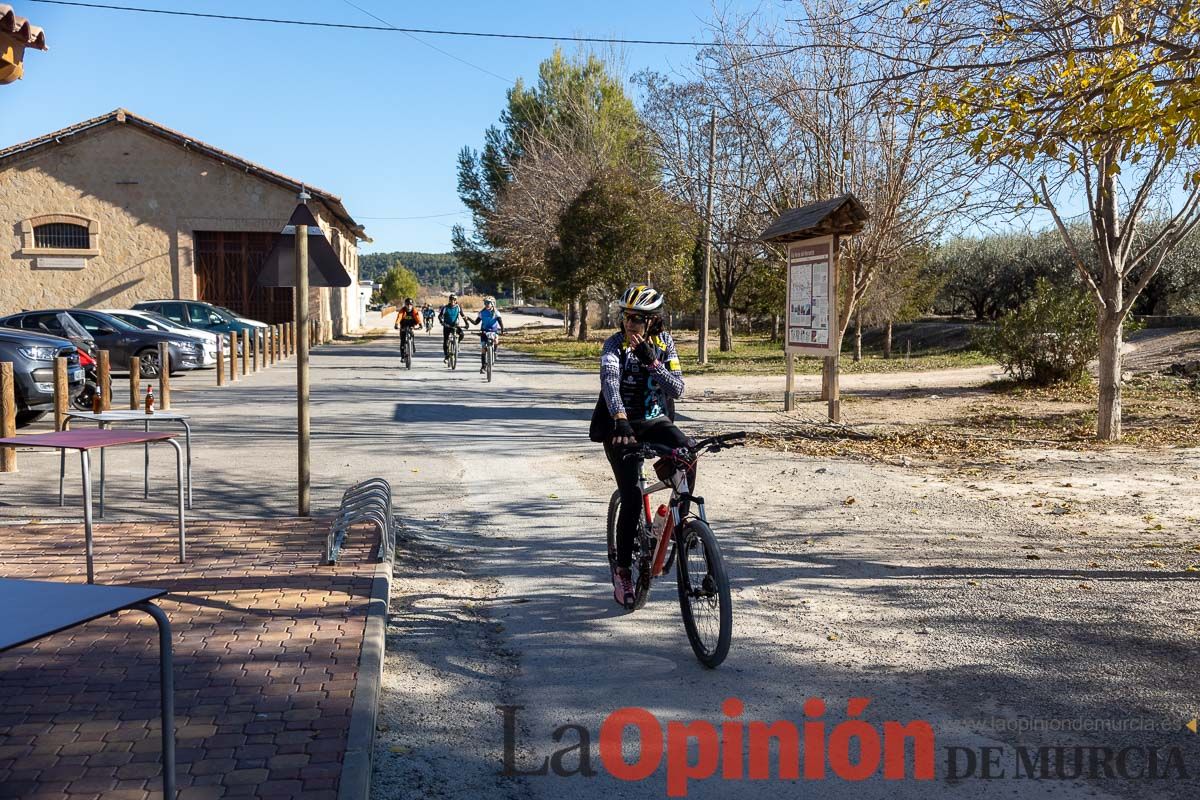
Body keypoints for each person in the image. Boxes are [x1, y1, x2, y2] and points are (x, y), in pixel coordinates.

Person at [595, 284, 687, 610]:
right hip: (620, 427)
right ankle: (622, 571)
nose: (630, 324)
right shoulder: (614, 345)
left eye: (638, 318)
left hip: (654, 421)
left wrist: (653, 362)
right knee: (632, 496)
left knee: (689, 457)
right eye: (626, 317)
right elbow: (609, 383)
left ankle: (672, 526)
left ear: (653, 321)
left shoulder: (665, 344)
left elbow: (677, 389)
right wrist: (619, 418)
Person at [468, 296, 505, 373]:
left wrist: (502, 330)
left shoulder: (496, 313)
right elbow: (476, 323)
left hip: (494, 331)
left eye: (488, 303)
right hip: (484, 331)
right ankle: (483, 366)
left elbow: (500, 323)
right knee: (483, 349)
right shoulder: (482, 313)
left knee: (496, 340)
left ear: (493, 304)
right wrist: (468, 319)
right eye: (485, 303)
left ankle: (494, 351)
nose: (487, 304)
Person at [438, 293, 469, 363]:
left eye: (454, 300)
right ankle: (446, 356)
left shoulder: (458, 307)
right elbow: (440, 316)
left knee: (462, 334)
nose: (452, 301)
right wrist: (441, 322)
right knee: (445, 341)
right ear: (449, 300)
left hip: (455, 325)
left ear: (456, 301)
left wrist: (466, 323)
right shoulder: (445, 308)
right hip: (447, 325)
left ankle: (457, 343)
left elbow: (463, 315)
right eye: (451, 300)